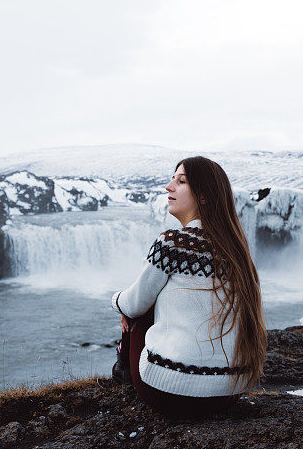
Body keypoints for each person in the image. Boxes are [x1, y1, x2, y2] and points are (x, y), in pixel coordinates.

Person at [111, 156, 267, 418]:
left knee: (138, 311)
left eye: (180, 181)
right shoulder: (237, 251)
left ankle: (122, 372)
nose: (168, 187)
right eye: (173, 179)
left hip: (170, 392)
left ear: (204, 196)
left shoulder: (173, 242)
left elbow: (134, 303)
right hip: (228, 394)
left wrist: (116, 301)